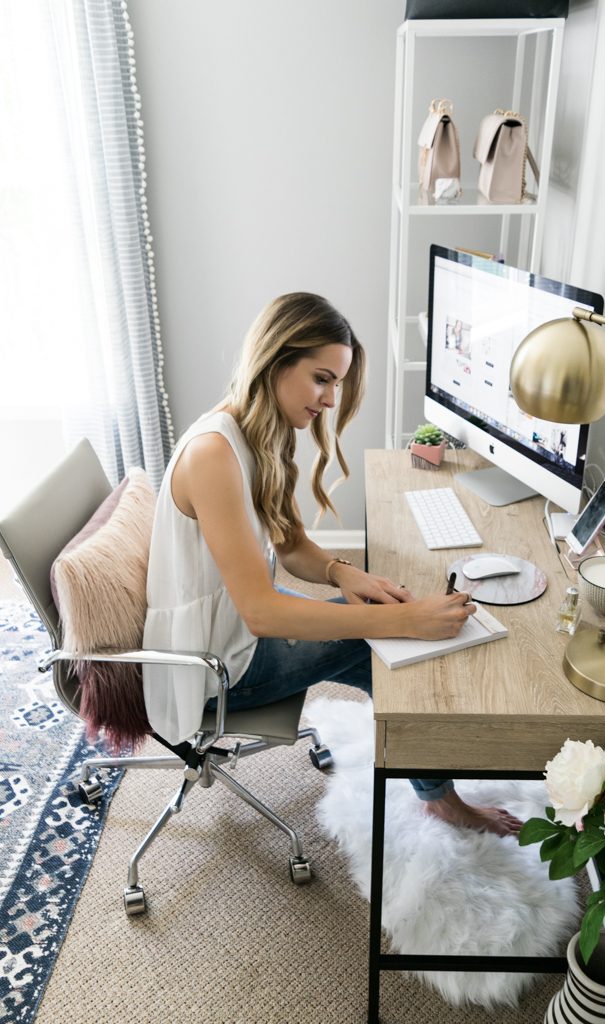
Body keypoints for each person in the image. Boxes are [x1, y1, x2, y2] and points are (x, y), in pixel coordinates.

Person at [143, 292, 521, 838]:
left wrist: (346, 573)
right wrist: (400, 623)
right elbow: (263, 613)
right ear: (276, 361)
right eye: (322, 378)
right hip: (211, 668)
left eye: (337, 383)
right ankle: (441, 799)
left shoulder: (256, 433)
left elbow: (292, 546)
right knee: (388, 636)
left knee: (380, 616)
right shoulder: (214, 455)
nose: (329, 399)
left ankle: (434, 778)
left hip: (226, 632)